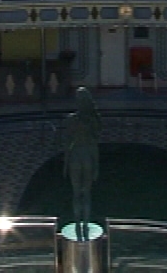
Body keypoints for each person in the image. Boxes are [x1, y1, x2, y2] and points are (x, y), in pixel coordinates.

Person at [63, 86, 101, 241]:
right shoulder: (93, 120)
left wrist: (65, 163)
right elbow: (94, 143)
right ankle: (84, 222)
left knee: (77, 193)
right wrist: (96, 165)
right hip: (87, 156)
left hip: (76, 157)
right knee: (86, 193)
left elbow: (67, 143)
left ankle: (79, 222)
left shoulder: (71, 119)